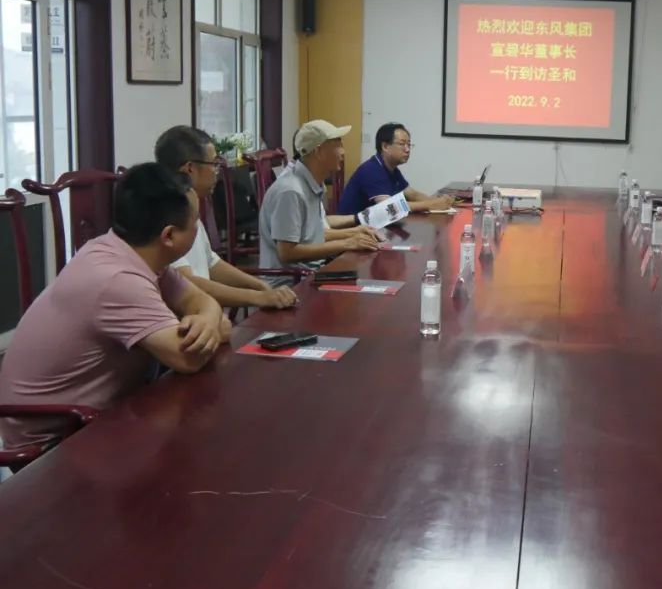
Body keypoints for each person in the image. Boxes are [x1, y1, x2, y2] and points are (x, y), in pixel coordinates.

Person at [0, 164, 229, 450]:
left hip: (91, 417)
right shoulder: (117, 280)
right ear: (169, 236)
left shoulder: (128, 251)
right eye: (196, 221)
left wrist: (207, 318)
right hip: (51, 443)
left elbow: (199, 302)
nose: (199, 227)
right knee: (200, 445)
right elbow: (188, 358)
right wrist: (212, 321)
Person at [155, 126, 298, 309]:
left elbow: (211, 262)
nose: (217, 171)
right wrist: (257, 297)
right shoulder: (165, 218)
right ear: (190, 169)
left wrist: (261, 286)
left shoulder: (189, 206)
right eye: (213, 164)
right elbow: (186, 283)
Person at [259, 119, 380, 284]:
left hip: (312, 272)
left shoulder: (313, 182)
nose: (343, 152)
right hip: (290, 284)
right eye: (338, 144)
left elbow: (312, 234)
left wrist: (355, 233)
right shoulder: (290, 191)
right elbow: (287, 253)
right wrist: (347, 243)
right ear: (319, 151)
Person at [338, 123, 454, 215]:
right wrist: (430, 205)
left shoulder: (391, 169)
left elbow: (412, 194)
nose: (407, 149)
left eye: (409, 144)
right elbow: (390, 207)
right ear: (385, 146)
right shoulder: (370, 170)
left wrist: (439, 203)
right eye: (402, 144)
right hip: (352, 231)